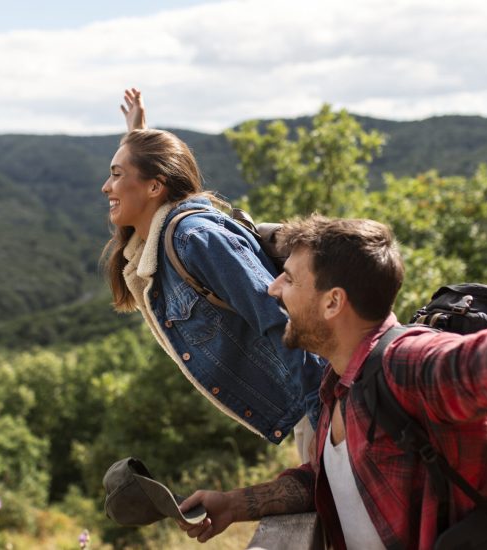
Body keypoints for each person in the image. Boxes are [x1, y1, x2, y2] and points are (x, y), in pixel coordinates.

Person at [175, 207, 487, 549]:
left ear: (334, 302)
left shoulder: (406, 364)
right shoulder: (337, 384)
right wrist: (235, 504)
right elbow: (333, 478)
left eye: (289, 279)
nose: (272, 290)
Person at [101, 88, 323, 452]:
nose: (105, 186)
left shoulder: (196, 239)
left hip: (319, 398)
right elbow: (147, 187)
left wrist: (325, 410)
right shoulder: (152, 249)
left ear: (156, 186)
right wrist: (137, 134)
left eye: (115, 174)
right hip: (306, 406)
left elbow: (279, 319)